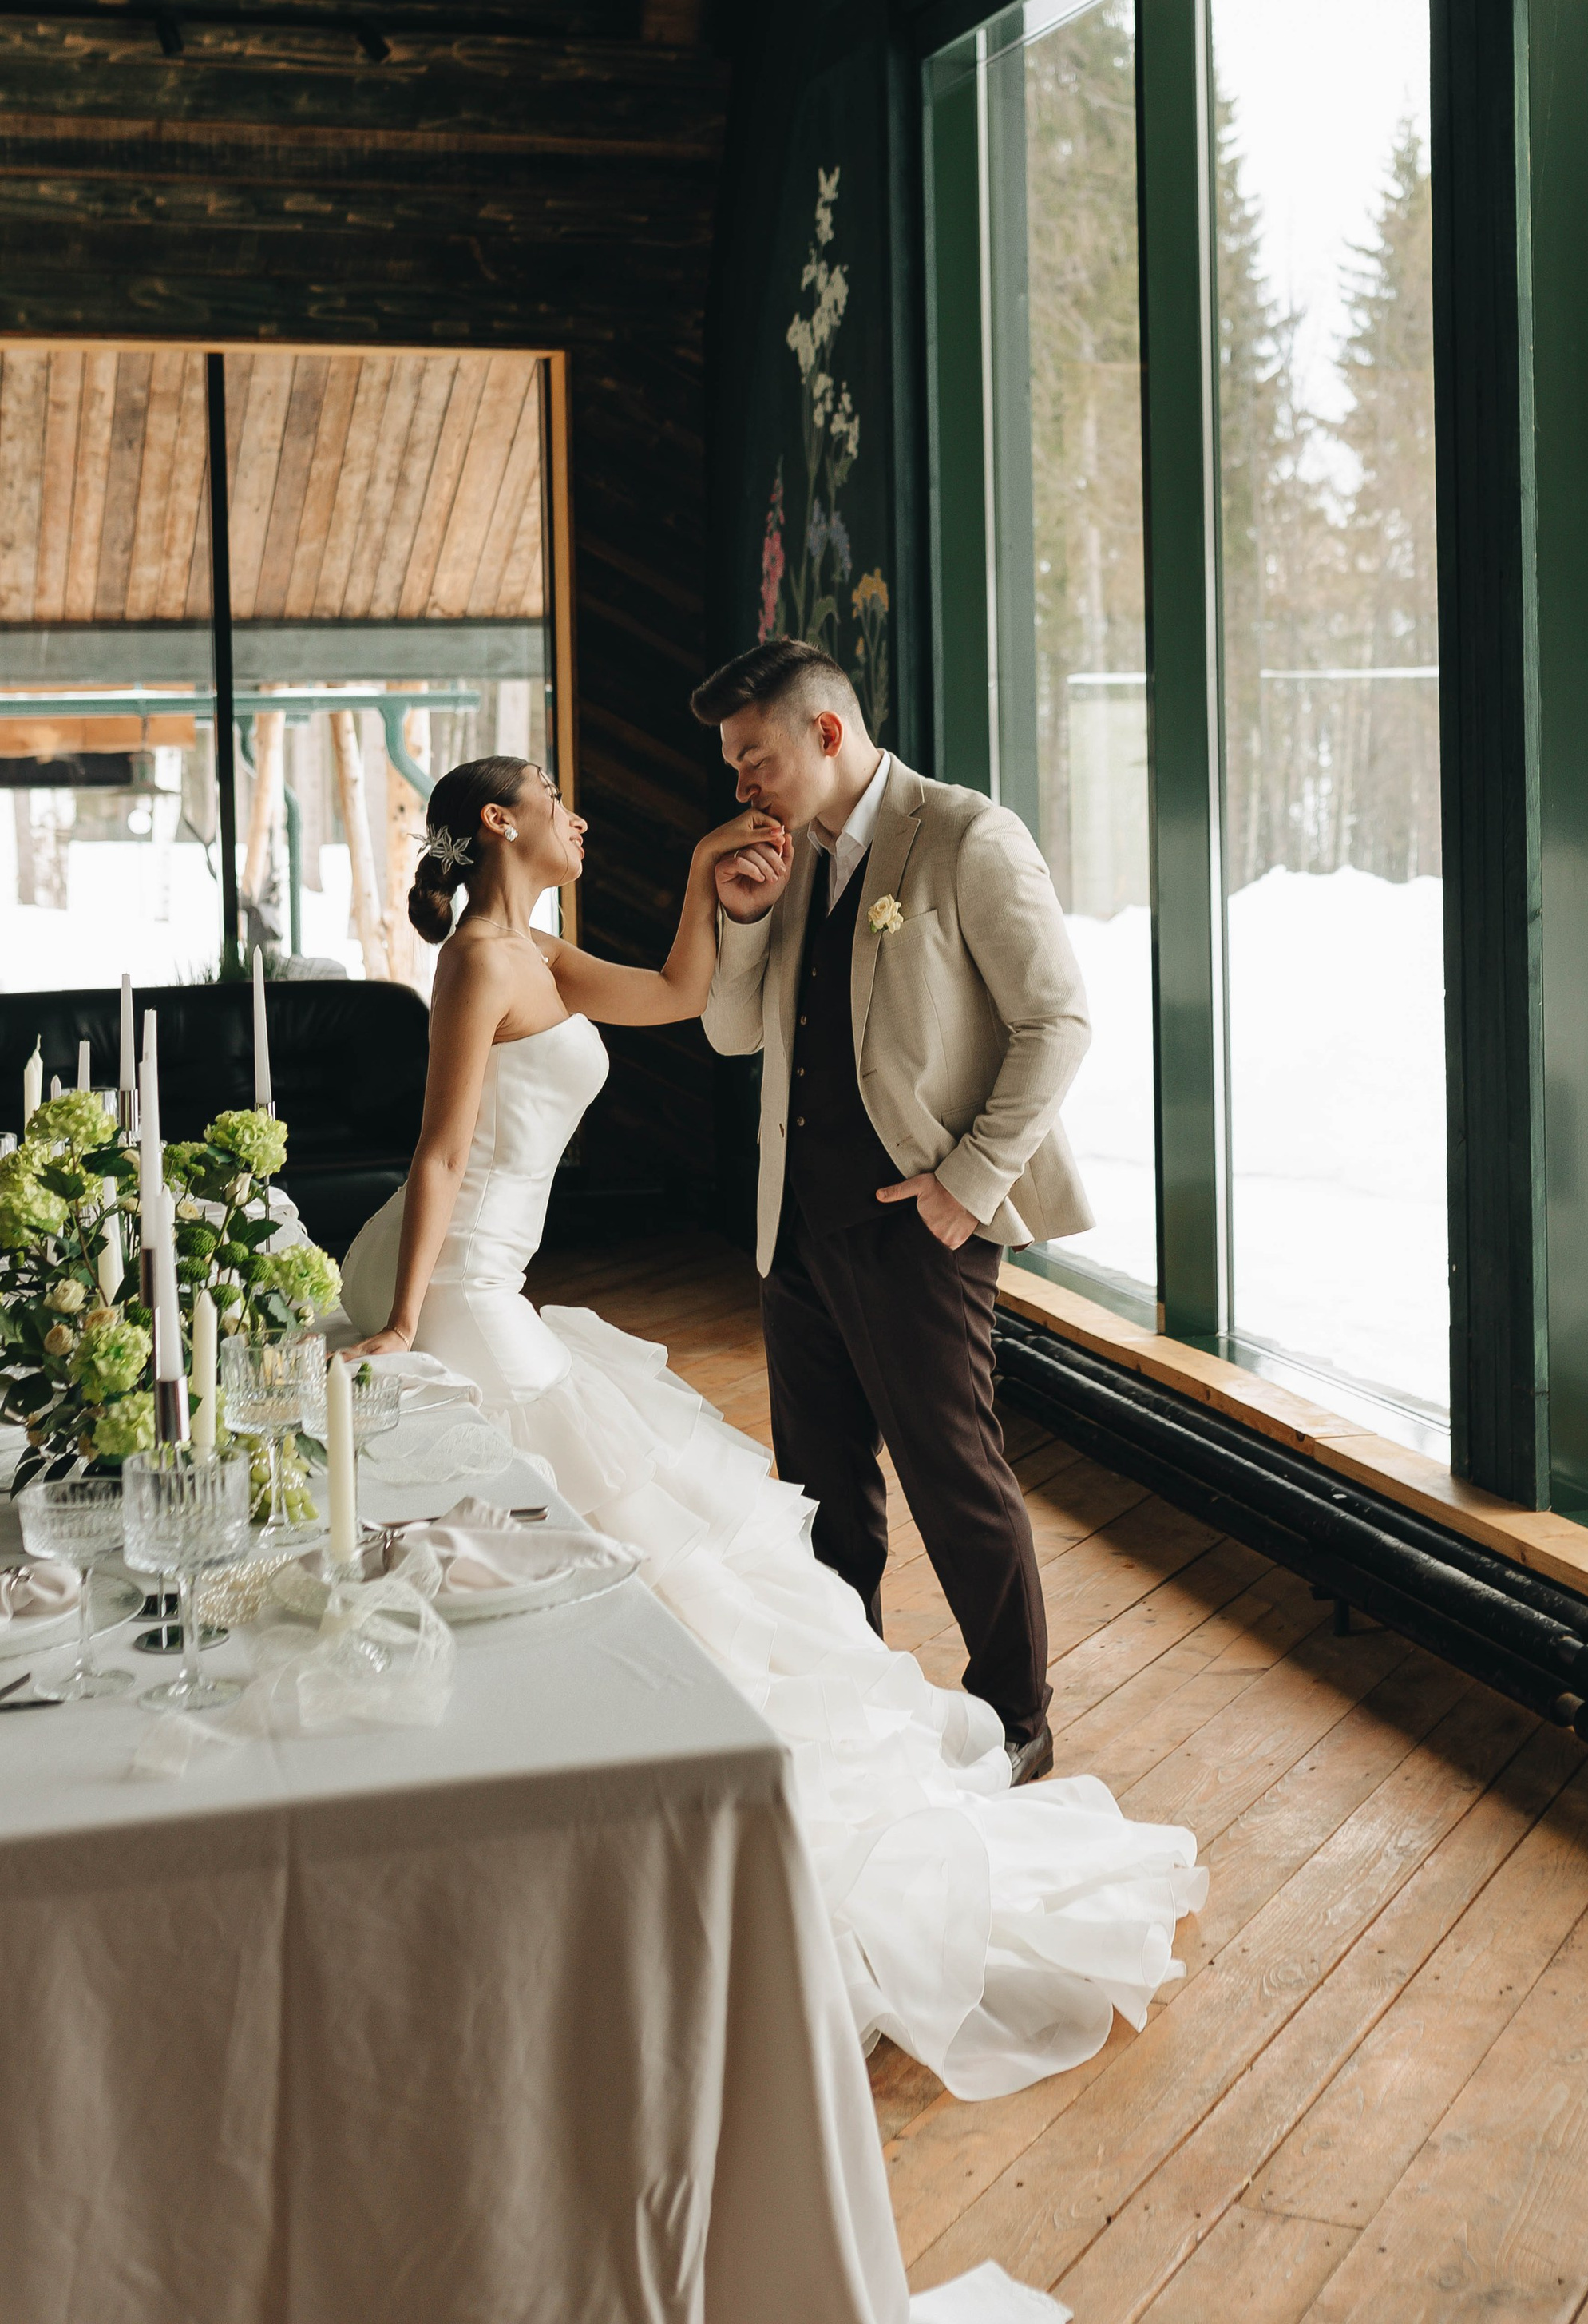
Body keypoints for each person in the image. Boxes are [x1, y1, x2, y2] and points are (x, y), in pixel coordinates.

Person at [339, 752, 1203, 2100]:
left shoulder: (548, 958)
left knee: (625, 1551)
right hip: (462, 1298)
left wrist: (701, 877)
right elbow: (441, 1155)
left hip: (505, 1284)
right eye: (561, 801)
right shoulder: (475, 968)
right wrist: (399, 1326)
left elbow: (688, 999)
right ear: (501, 823)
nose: (582, 815)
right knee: (586, 1553)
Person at [691, 638, 1093, 1790]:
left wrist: (969, 1184)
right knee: (821, 1490)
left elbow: (1058, 1023)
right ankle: (849, 1693)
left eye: (752, 758)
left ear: (824, 733)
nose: (741, 788)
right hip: (797, 1230)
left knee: (953, 1474)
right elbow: (732, 1034)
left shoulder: (966, 836)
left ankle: (1019, 1715)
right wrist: (745, 918)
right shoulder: (791, 863)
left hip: (924, 1224)